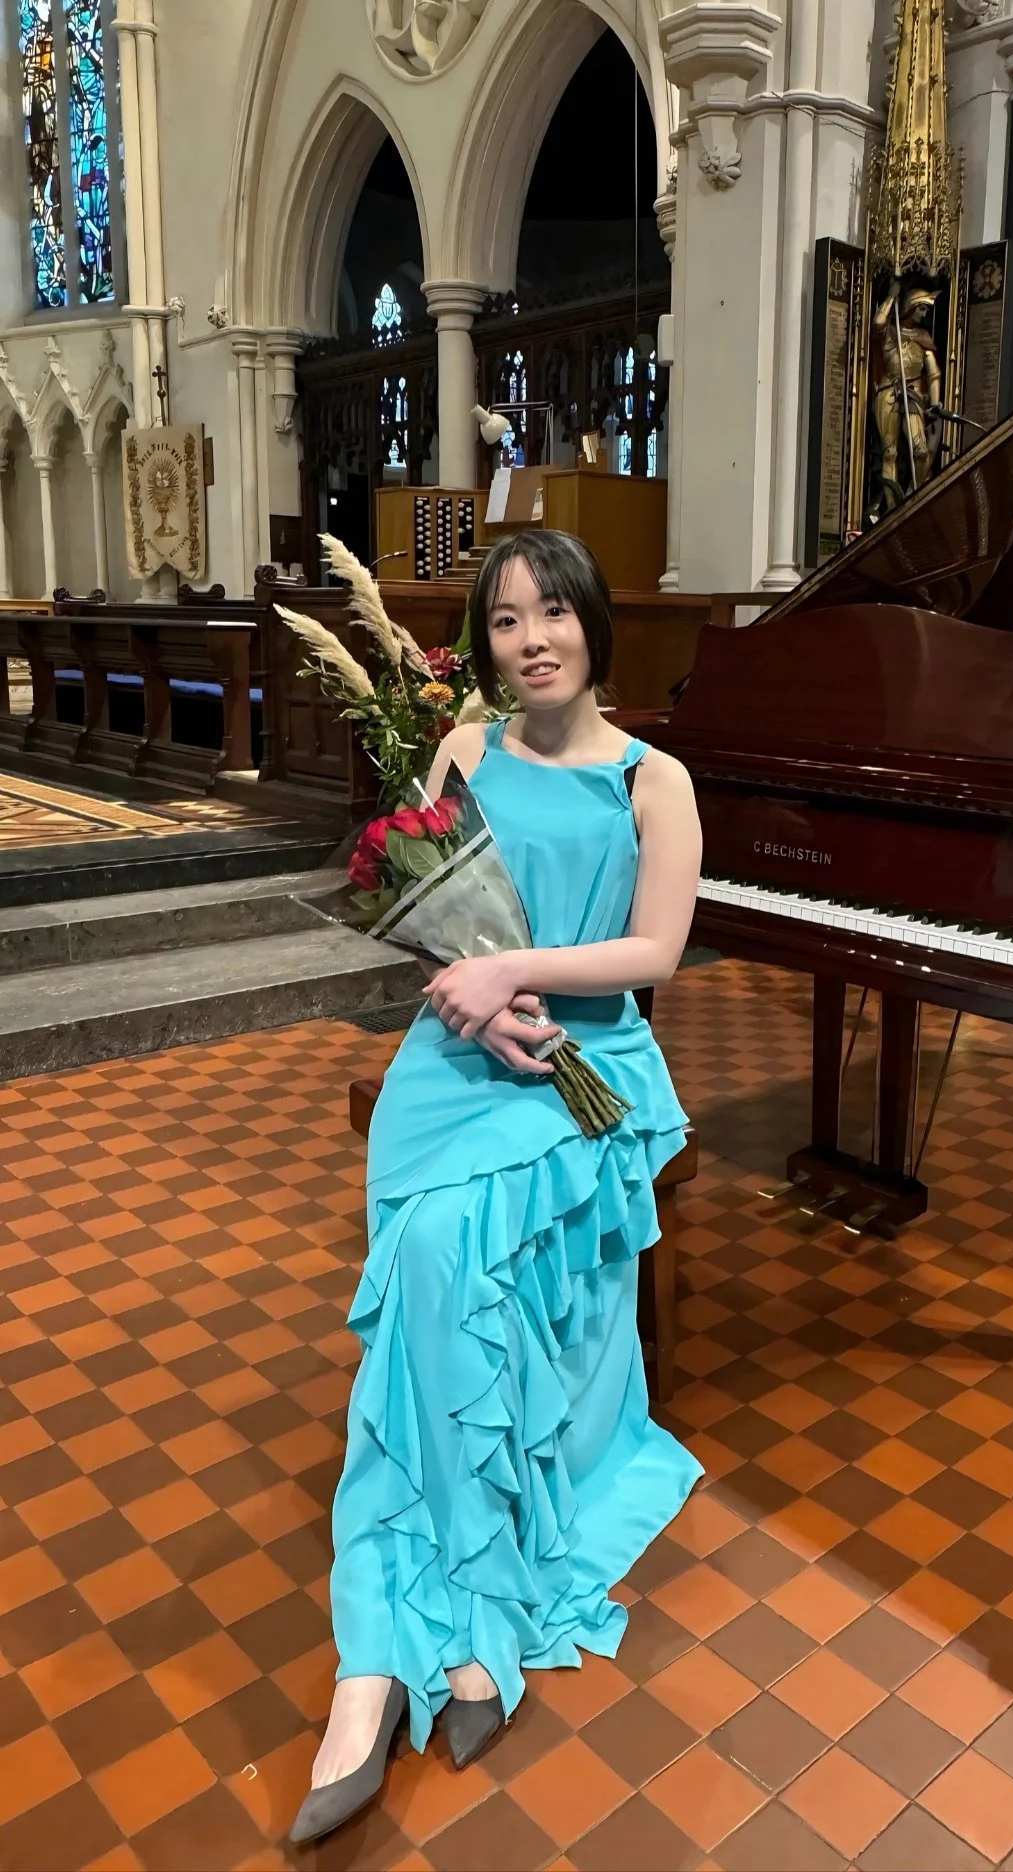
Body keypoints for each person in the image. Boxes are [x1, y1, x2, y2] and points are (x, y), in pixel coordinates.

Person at [291, 530, 705, 1844]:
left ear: (592, 627)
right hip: (459, 1057)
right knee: (426, 1260)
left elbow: (658, 950)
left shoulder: (655, 779)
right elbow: (429, 921)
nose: (532, 639)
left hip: (592, 1059)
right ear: (484, 647)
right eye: (507, 621)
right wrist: (471, 998)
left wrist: (519, 979)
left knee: (460, 1264)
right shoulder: (461, 753)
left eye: (554, 614)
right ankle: (383, 1663)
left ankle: (459, 1627)